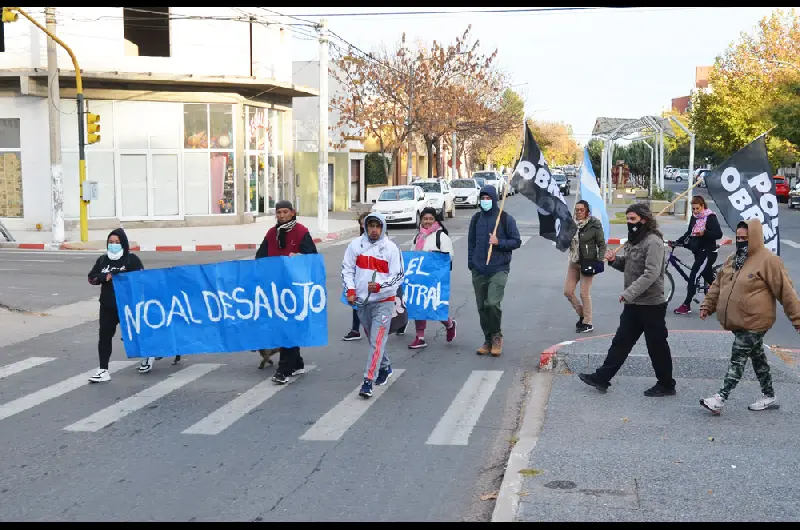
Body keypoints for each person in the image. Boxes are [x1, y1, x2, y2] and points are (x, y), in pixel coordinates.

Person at [699, 219, 800, 414]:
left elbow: (786, 291)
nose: (740, 241)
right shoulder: (733, 259)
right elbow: (718, 284)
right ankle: (769, 395)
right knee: (758, 357)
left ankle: (720, 398)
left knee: (738, 357)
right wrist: (707, 305)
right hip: (738, 321)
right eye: (738, 238)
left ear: (755, 238)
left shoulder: (768, 260)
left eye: (744, 238)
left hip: (756, 320)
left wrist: (797, 318)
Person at [578, 203, 676, 397]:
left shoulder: (653, 242)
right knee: (621, 342)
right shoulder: (634, 239)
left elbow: (651, 273)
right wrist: (615, 261)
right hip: (634, 304)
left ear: (644, 220)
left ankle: (666, 384)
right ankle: (602, 377)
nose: (629, 222)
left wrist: (629, 293)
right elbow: (630, 265)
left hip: (651, 304)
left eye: (633, 219)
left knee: (656, 346)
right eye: (627, 219)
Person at [342, 211, 404, 398]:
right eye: (371, 226)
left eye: (378, 226)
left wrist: (380, 286)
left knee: (377, 341)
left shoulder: (391, 249)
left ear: (383, 227)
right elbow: (347, 269)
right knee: (374, 341)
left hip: (384, 302)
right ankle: (385, 367)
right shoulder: (355, 245)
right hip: (362, 302)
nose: (374, 230)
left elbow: (398, 276)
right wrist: (350, 290)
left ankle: (368, 381)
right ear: (365, 227)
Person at [255, 200, 318, 385]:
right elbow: (260, 257)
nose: (282, 215)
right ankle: (296, 363)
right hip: (276, 289)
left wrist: (299, 258)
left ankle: (283, 370)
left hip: (295, 290)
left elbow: (312, 258)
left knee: (288, 327)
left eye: (285, 212)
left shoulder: (301, 232)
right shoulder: (271, 233)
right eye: (279, 212)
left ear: (292, 212)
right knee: (283, 327)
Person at [468, 185, 522, 357]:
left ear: (494, 199)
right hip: (479, 269)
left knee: (491, 303)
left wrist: (499, 242)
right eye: (483, 198)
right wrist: (471, 263)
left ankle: (497, 336)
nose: (485, 201)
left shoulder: (505, 218)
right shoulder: (476, 219)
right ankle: (488, 339)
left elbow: (516, 241)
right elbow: (471, 243)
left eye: (488, 198)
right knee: (481, 307)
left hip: (499, 268)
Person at [87, 228, 145, 382]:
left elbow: (140, 279)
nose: (113, 245)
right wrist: (104, 277)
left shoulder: (131, 260)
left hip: (127, 306)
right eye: (111, 242)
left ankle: (147, 357)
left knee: (136, 334)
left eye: (117, 242)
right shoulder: (103, 260)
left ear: (123, 243)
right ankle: (103, 369)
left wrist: (123, 277)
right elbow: (92, 278)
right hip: (108, 306)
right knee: (104, 337)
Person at [408, 207, 457, 349]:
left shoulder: (441, 236)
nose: (427, 221)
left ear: (436, 220)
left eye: (431, 219)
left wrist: (433, 257)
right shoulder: (418, 237)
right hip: (420, 278)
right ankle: (420, 337)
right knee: (419, 306)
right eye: (425, 219)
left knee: (434, 307)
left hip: (435, 278)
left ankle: (449, 324)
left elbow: (448, 257)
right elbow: (412, 255)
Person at [672, 195, 723, 315]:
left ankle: (686, 305)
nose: (695, 211)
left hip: (708, 253)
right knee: (710, 279)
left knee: (693, 276)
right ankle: (726, 295)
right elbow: (689, 233)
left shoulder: (710, 217)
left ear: (703, 206)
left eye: (697, 208)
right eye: (693, 209)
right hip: (698, 252)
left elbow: (718, 234)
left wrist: (704, 233)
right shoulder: (694, 218)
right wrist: (677, 242)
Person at [564, 199, 606, 334]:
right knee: (568, 291)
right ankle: (582, 314)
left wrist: (599, 261)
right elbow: (566, 242)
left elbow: (602, 244)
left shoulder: (594, 224)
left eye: (581, 210)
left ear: (587, 211)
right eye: (577, 210)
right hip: (574, 262)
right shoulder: (571, 224)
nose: (579, 212)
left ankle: (588, 323)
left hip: (588, 262)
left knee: (584, 293)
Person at [343, 211, 371, 342]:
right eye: (362, 224)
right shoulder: (357, 242)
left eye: (368, 223)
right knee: (357, 302)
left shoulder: (383, 241)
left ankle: (399, 322)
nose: (365, 227)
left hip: (377, 280)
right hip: (361, 278)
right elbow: (348, 265)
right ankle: (355, 329)